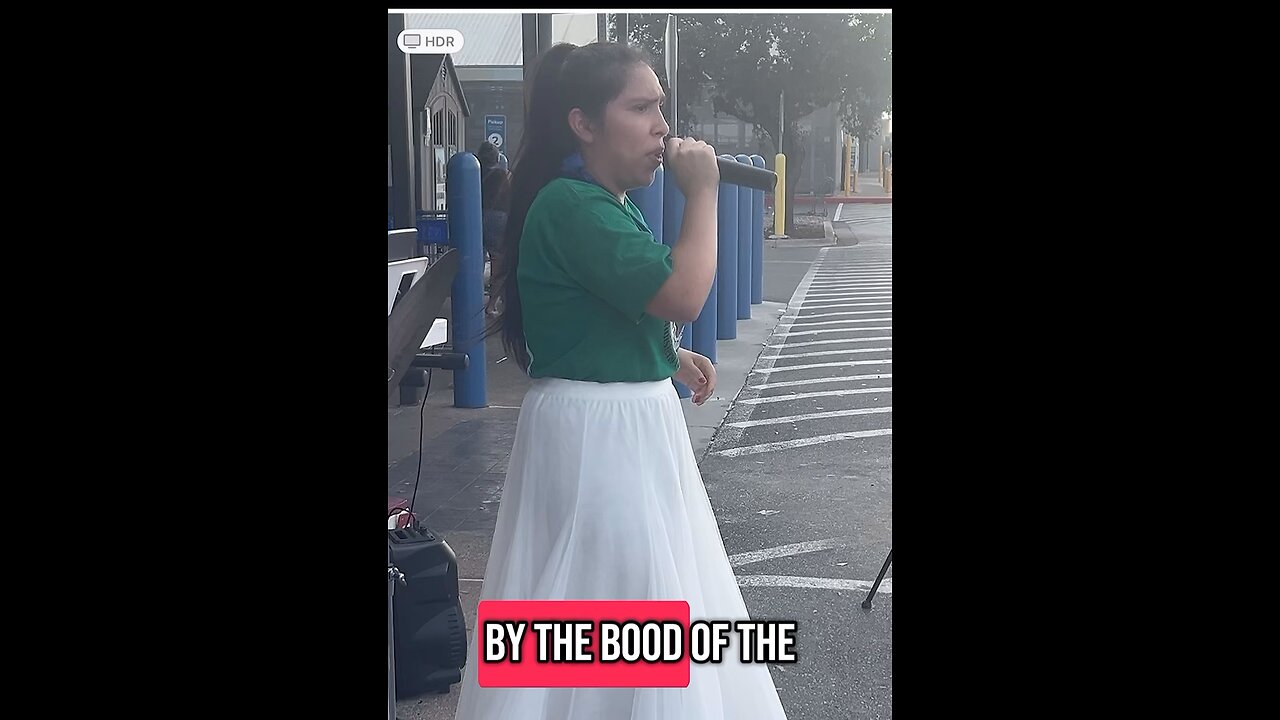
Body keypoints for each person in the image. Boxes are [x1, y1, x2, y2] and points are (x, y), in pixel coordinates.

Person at [453, 41, 789, 720]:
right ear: (584, 123)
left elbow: (610, 309)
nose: (662, 127)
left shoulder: (600, 201)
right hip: (600, 436)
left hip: (619, 423)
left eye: (661, 108)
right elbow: (682, 293)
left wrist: (666, 357)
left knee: (621, 602)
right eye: (640, 108)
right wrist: (703, 193)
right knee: (620, 599)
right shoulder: (575, 206)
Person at [476, 140, 510, 316]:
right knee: (499, 262)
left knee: (476, 261)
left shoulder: (474, 174)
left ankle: (473, 302)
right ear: (497, 158)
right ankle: (491, 305)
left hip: (475, 218)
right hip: (498, 219)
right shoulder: (502, 175)